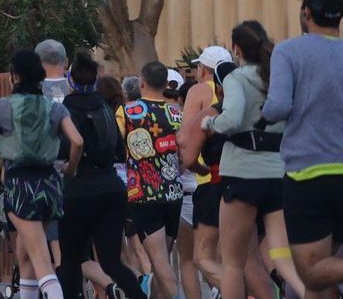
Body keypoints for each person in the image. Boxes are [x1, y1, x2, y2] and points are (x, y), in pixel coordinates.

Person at [259, 0, 343, 294]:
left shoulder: (288, 51)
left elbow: (277, 107)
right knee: (332, 269)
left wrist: (262, 114)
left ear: (306, 12)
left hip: (307, 175)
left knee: (312, 273)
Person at [200, 21, 305, 299]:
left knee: (233, 264)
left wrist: (210, 123)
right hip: (277, 174)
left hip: (243, 175)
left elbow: (232, 118)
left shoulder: (236, 78)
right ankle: (311, 294)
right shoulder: (278, 77)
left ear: (235, 49)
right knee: (282, 258)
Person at [0, 50, 83, 299]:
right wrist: (71, 168)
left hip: (21, 187)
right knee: (24, 256)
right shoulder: (54, 108)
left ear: (13, 76)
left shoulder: (1, 107)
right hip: (51, 184)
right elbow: (77, 141)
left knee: (40, 259)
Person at [54, 52, 144, 299]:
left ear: (70, 79)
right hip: (111, 188)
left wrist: (70, 167)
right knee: (112, 262)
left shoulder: (66, 109)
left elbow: (65, 146)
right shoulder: (105, 107)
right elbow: (119, 150)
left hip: (77, 189)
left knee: (71, 261)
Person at [119, 61, 183, 299]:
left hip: (145, 195)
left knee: (160, 264)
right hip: (174, 194)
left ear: (141, 83)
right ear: (166, 84)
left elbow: (115, 147)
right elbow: (185, 153)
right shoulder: (176, 113)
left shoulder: (126, 113)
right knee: (162, 261)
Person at [180, 47, 232, 299]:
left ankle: (233, 292)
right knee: (233, 256)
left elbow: (185, 136)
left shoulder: (199, 91)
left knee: (202, 256)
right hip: (245, 177)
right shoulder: (245, 90)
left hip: (208, 177)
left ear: (204, 70)